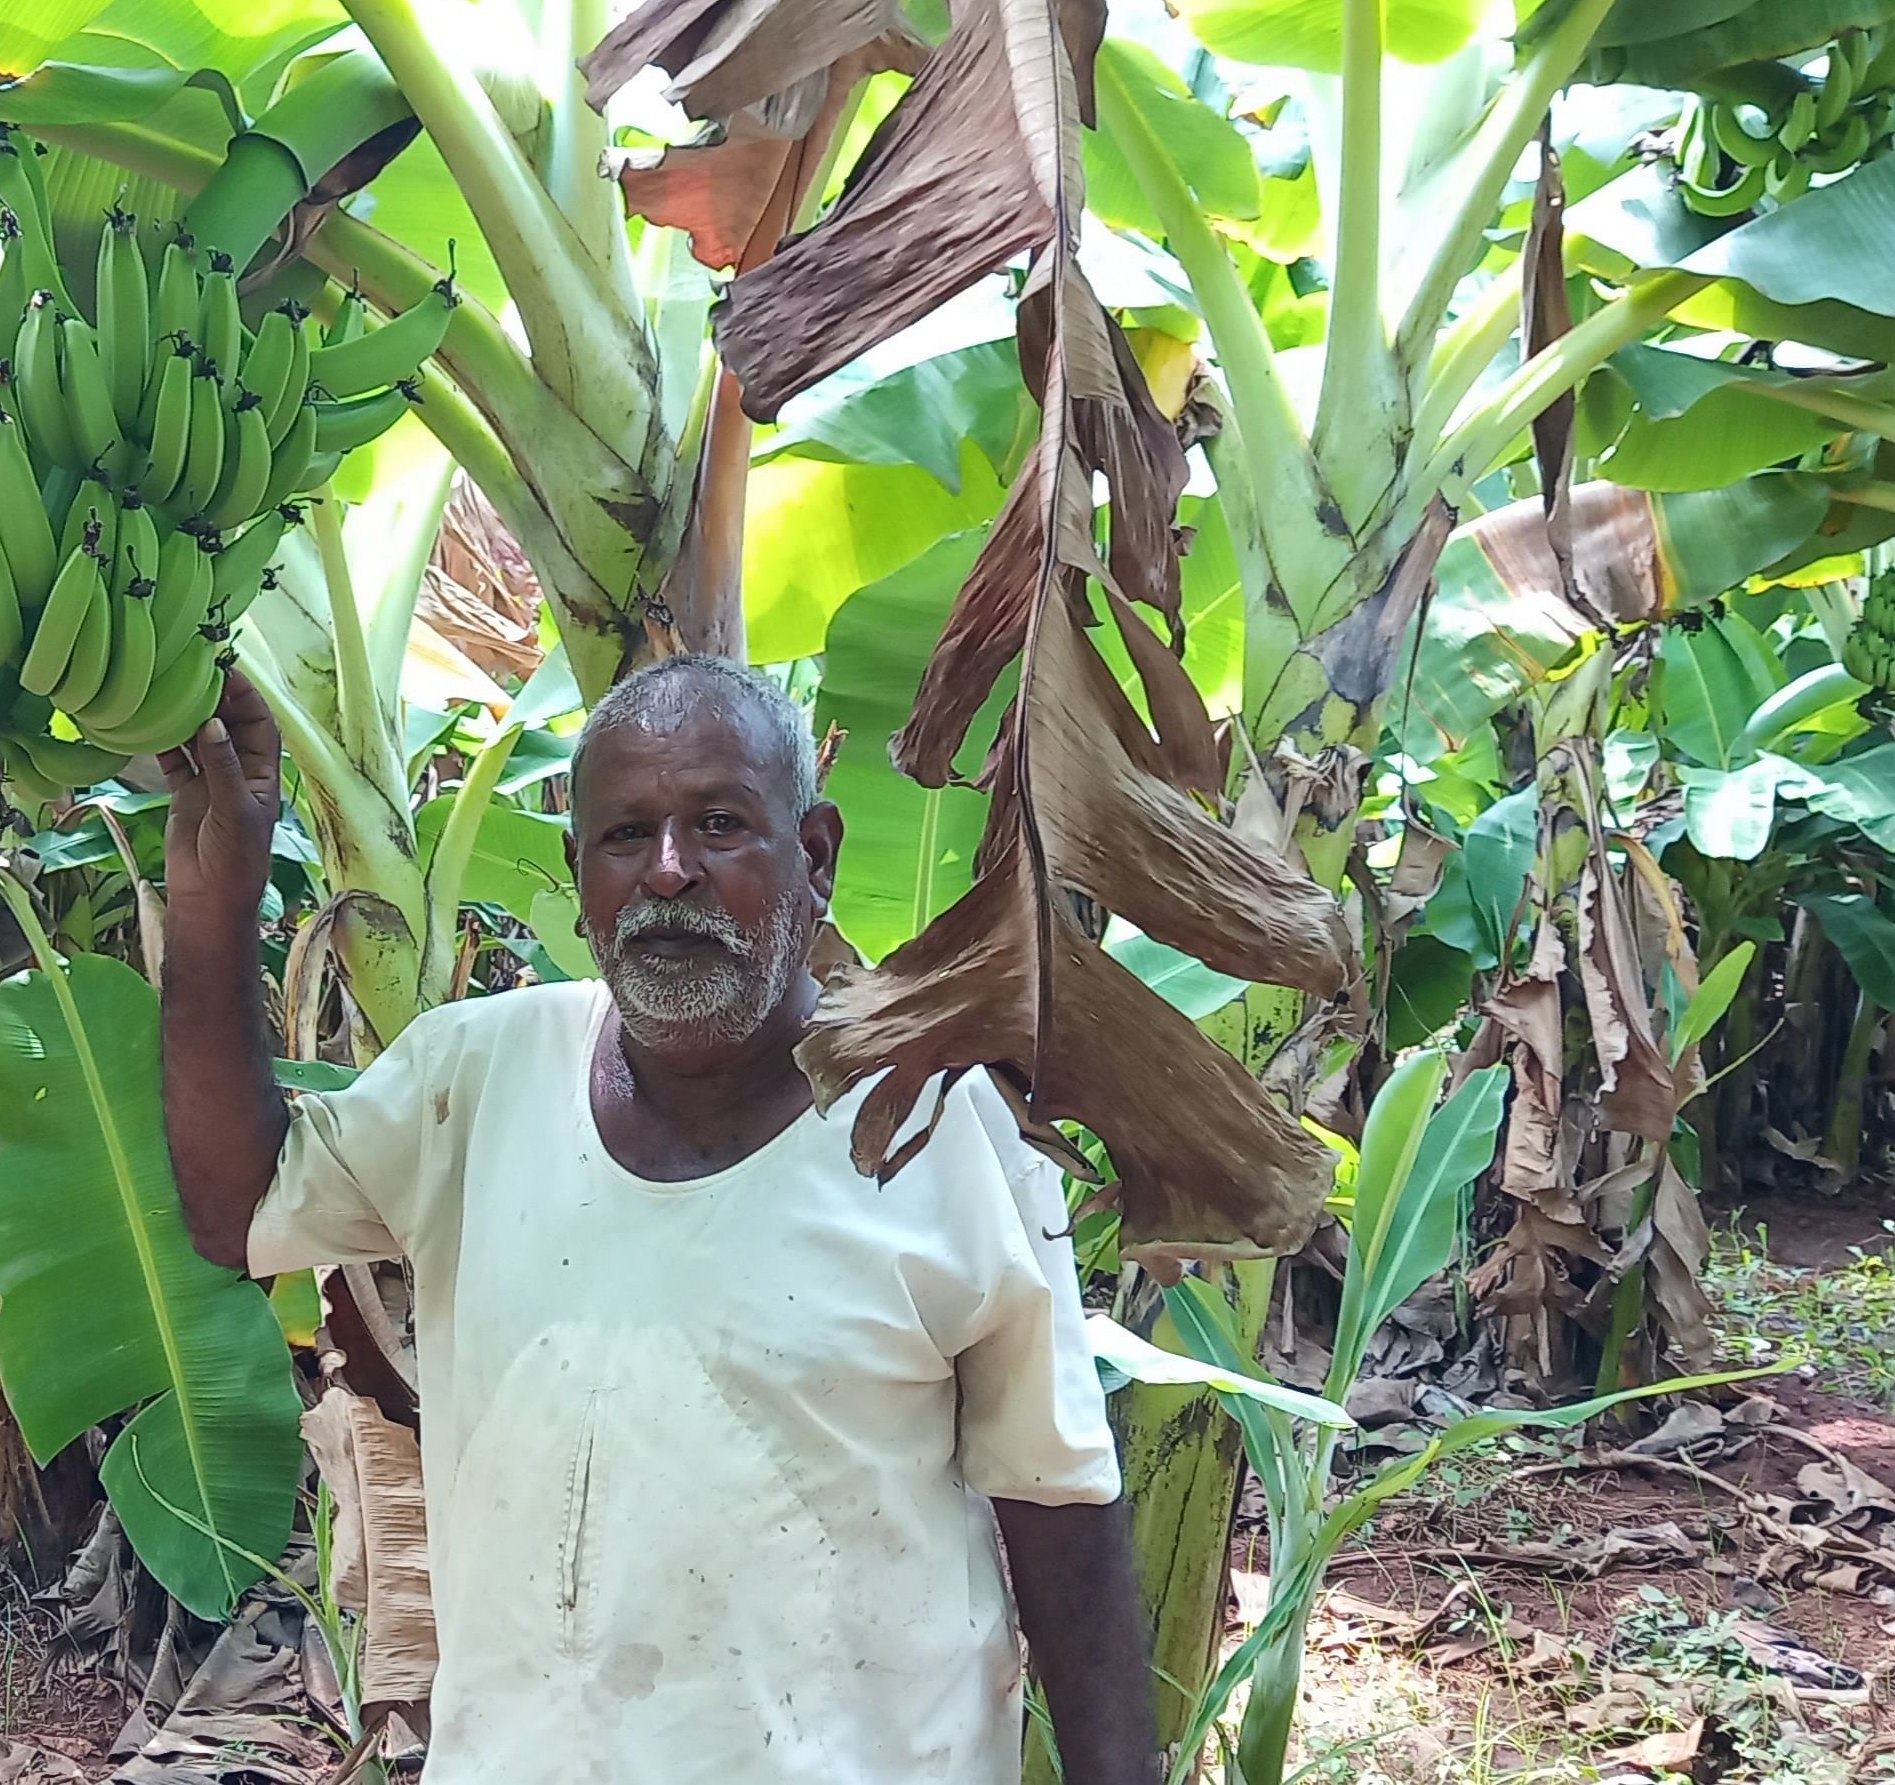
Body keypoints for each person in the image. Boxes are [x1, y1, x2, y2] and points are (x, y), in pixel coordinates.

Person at [157, 654, 1154, 1784]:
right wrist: (212, 899)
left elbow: (1058, 1504)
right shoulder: (474, 1079)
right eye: (626, 836)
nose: (668, 872)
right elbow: (237, 1211)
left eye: (720, 824)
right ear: (578, 872)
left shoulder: (939, 1129)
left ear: (815, 856)